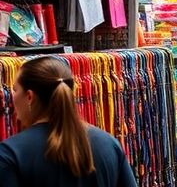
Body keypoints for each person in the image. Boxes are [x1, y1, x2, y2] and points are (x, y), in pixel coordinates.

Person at [0, 56, 137, 187]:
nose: (13, 97)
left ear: (30, 96)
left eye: (15, 89)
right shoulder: (109, 144)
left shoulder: (10, 153)